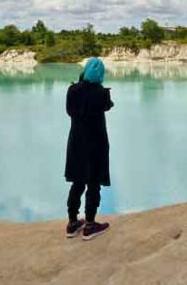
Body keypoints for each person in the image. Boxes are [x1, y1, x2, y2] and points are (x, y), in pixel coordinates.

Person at [65, 57, 113, 240]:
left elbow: (70, 111)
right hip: (96, 144)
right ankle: (90, 225)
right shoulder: (101, 93)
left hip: (76, 143)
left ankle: (72, 223)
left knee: (77, 182)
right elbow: (107, 106)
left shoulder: (72, 91)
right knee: (93, 183)